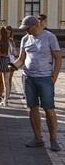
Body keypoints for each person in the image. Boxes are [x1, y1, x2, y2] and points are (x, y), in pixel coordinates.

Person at [12, 15, 62, 152]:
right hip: (28, 78)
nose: (25, 31)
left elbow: (58, 58)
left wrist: (54, 77)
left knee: (49, 109)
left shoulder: (49, 37)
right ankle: (38, 138)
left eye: (27, 28)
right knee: (32, 108)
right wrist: (12, 66)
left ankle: (53, 139)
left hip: (45, 78)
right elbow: (21, 59)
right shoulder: (25, 39)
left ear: (35, 25)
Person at [0, 25, 18, 98]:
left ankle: (7, 95)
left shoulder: (11, 41)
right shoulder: (0, 40)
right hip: (3, 60)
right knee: (1, 79)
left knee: (9, 79)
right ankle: (0, 95)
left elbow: (14, 52)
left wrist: (12, 43)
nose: (7, 34)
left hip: (11, 61)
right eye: (6, 32)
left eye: (9, 33)